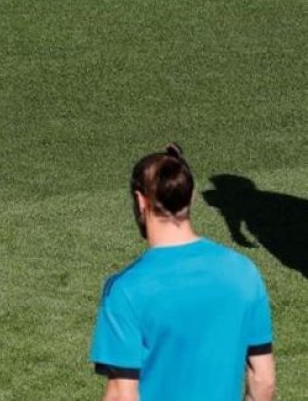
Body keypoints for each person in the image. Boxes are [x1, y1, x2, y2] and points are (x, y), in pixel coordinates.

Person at [89, 144, 276, 401]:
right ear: (192, 196)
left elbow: (123, 395)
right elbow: (263, 380)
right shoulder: (244, 273)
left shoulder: (125, 290)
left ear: (141, 201)